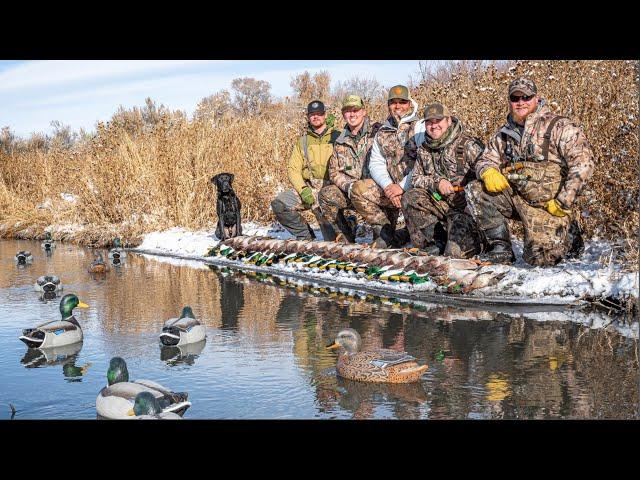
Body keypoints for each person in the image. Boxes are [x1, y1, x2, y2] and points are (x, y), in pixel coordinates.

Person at [466, 77, 595, 265]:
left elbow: (584, 163)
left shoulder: (559, 126)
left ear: (536, 98)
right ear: (509, 101)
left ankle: (570, 233)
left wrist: (563, 202)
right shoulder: (503, 134)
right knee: (476, 190)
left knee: (539, 259)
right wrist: (487, 171)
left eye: (526, 97)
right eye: (515, 98)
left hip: (550, 206)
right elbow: (485, 159)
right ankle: (500, 248)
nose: (520, 103)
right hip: (519, 199)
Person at [402, 102, 485, 257]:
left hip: (467, 211)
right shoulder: (424, 149)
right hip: (442, 205)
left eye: (438, 121)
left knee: (453, 255)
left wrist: (472, 204)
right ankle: (435, 242)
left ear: (448, 121)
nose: (434, 126)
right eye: (429, 122)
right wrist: (436, 182)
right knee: (411, 197)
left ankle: (476, 241)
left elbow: (486, 177)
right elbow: (416, 179)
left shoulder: (468, 145)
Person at [350, 85, 418, 248]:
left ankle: (414, 234)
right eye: (393, 102)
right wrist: (388, 186)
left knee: (420, 240)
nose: (398, 106)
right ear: (388, 105)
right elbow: (376, 163)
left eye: (402, 102)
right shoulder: (383, 131)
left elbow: (424, 163)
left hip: (415, 188)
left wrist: (402, 187)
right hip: (391, 190)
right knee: (358, 189)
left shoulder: (420, 126)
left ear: (409, 104)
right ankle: (385, 232)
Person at [270, 100, 339, 240]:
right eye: (312, 114)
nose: (316, 117)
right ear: (308, 117)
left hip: (332, 189)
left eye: (319, 114)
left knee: (331, 240)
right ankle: (305, 236)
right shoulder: (303, 141)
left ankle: (348, 223)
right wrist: (303, 189)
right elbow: (293, 168)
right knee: (279, 204)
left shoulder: (338, 136)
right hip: (311, 188)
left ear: (325, 115)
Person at [318, 94, 380, 243]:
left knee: (384, 244)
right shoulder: (340, 141)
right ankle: (345, 235)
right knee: (326, 194)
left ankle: (383, 231)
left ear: (364, 111)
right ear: (343, 114)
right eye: (348, 111)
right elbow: (334, 171)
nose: (352, 114)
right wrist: (349, 186)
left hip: (377, 193)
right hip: (352, 192)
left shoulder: (378, 132)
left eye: (356, 110)